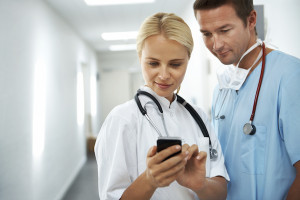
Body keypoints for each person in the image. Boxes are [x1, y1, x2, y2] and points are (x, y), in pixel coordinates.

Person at [94, 12, 229, 200]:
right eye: (153, 63)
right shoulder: (122, 120)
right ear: (140, 57)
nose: (164, 75)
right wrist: (150, 180)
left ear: (188, 60)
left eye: (175, 64)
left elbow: (221, 193)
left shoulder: (198, 117)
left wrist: (200, 185)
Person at [193, 0, 300, 199]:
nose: (216, 45)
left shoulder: (291, 76)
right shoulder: (221, 90)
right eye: (206, 34)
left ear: (251, 20)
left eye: (224, 30)